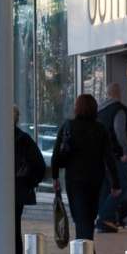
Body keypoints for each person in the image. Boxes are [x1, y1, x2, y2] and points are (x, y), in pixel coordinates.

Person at [51, 94, 114, 242]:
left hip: (74, 178)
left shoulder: (68, 126)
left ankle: (84, 247)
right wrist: (115, 182)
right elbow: (109, 157)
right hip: (95, 177)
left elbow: (56, 154)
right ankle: (86, 245)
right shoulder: (100, 129)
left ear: (77, 108)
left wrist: (54, 177)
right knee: (90, 214)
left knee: (80, 214)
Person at [12, 106, 46, 254]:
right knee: (14, 224)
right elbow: (39, 165)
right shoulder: (23, 138)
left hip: (13, 188)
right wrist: (29, 183)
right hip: (17, 188)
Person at [94, 83, 127, 233]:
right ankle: (104, 217)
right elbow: (120, 132)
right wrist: (125, 152)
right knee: (122, 186)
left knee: (105, 189)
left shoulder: (99, 111)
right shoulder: (119, 109)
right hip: (115, 155)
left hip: (100, 156)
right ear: (118, 93)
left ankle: (104, 221)